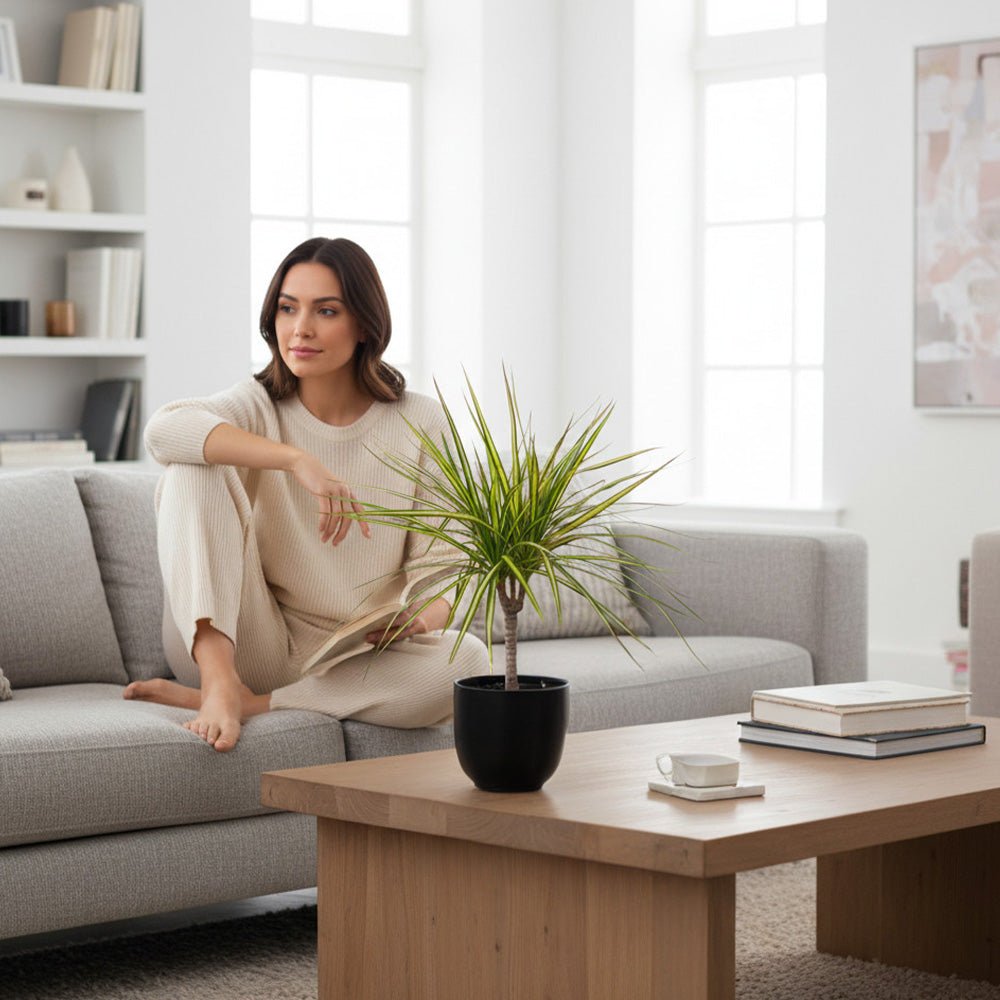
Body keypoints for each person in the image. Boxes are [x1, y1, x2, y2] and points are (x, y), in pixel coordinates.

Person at [123, 236, 488, 751]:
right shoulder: (259, 404)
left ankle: (250, 704)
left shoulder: (421, 420)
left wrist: (422, 617)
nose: (300, 329)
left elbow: (445, 561)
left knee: (467, 659)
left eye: (326, 311)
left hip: (349, 656)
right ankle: (220, 681)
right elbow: (164, 430)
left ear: (363, 324)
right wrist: (296, 459)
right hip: (241, 638)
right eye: (288, 309)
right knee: (193, 466)